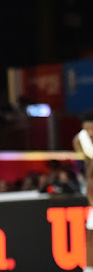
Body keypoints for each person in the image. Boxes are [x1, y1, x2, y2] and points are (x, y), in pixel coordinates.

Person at [72, 114, 93, 272]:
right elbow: (78, 142)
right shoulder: (82, 140)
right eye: (87, 129)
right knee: (91, 233)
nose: (90, 132)